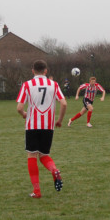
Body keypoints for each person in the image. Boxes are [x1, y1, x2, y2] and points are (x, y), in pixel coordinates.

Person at [16, 60, 67, 198]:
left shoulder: (27, 85)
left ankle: (37, 191)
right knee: (44, 155)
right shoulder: (54, 84)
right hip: (48, 126)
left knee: (32, 155)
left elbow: (19, 107)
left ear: (33, 71)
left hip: (32, 125)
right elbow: (63, 104)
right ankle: (54, 170)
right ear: (46, 71)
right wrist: (60, 120)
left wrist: (24, 114)